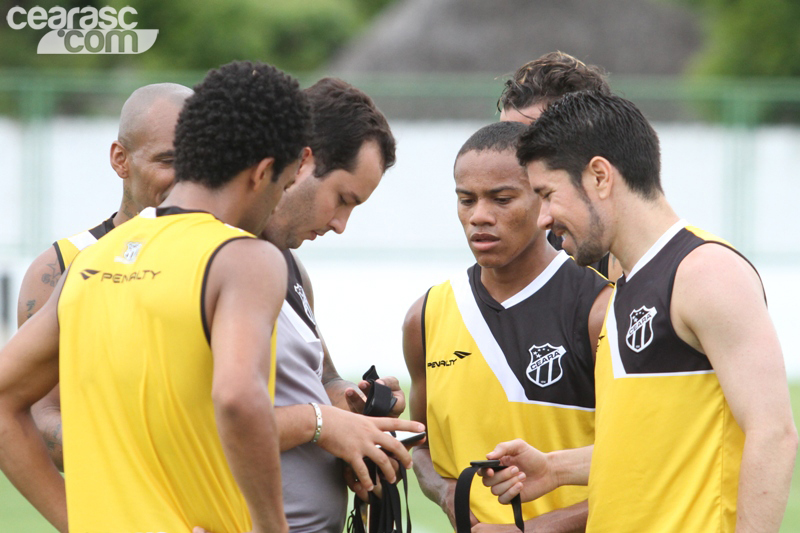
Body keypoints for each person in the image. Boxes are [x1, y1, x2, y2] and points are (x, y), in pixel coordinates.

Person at [0, 60, 312, 533]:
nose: (276, 206)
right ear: (263, 171)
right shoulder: (244, 259)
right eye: (283, 186)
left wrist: (77, 523)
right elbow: (237, 398)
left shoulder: (89, 263)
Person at [482, 91, 798, 532]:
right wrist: (553, 468)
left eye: (548, 195)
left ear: (599, 177)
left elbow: (773, 434)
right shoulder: (623, 287)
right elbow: (659, 445)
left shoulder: (705, 271)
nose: (543, 217)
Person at [403, 121, 612, 531]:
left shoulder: (599, 309)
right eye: (466, 200)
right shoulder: (425, 317)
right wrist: (449, 496)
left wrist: (530, 530)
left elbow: (641, 463)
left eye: (501, 199)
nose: (479, 216)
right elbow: (420, 446)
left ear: (543, 199)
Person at [261, 77, 424, 533]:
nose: (340, 225)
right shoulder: (207, 259)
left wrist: (358, 414)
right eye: (343, 199)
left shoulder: (288, 267)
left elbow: (321, 378)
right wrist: (323, 424)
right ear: (302, 161)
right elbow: (206, 418)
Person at [15, 82, 193, 470]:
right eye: (168, 160)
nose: (185, 179)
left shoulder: (232, 256)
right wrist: (145, 461)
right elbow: (37, 414)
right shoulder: (60, 266)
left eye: (199, 162)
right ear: (120, 159)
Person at [497, 51, 623, 282]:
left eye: (530, 140)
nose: (512, 155)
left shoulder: (622, 248)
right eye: (505, 138)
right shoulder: (519, 228)